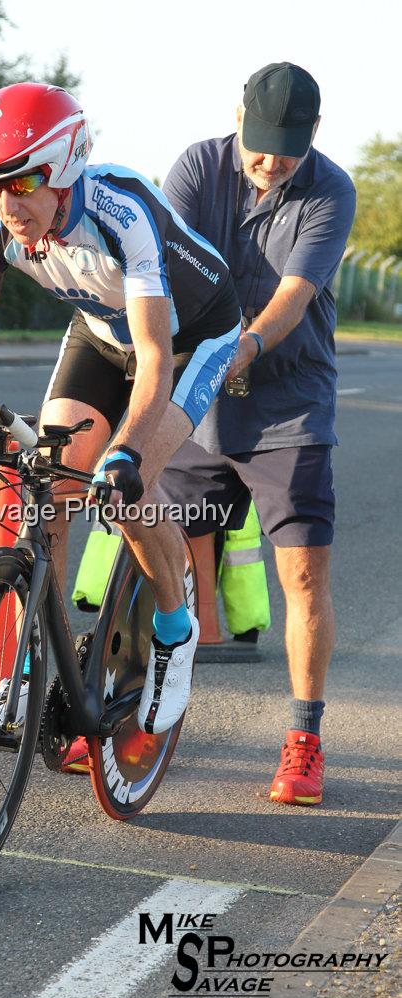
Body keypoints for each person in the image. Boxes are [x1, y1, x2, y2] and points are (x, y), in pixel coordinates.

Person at [0, 82, 241, 752]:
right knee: (49, 485)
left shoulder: (121, 211)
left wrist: (128, 453)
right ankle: (21, 672)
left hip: (192, 339)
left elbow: (156, 364)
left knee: (129, 486)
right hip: (103, 332)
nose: (5, 205)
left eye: (20, 186)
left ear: (64, 170)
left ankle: (173, 630)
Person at [161, 62, 356, 805]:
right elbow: (163, 267)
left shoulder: (329, 189)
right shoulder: (194, 167)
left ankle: (304, 739)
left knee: (302, 574)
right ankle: (139, 712)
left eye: (287, 147)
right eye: (259, 143)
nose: (269, 160)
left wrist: (238, 349)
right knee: (160, 557)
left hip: (286, 403)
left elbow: (290, 298)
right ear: (235, 117)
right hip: (195, 399)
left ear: (312, 133)